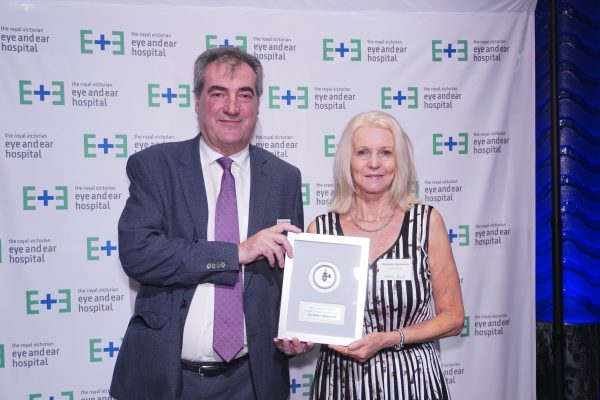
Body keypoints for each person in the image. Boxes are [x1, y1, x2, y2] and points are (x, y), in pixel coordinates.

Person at [110, 47, 313, 400]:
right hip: (168, 380)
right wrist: (236, 252)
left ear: (258, 104)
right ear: (197, 100)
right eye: (218, 93)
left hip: (253, 381)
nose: (232, 108)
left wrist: (299, 331)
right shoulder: (156, 167)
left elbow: (288, 274)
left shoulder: (284, 178)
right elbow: (138, 254)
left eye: (244, 95)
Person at [308, 110, 464, 399]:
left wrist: (390, 338)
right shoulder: (321, 229)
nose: (374, 163)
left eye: (386, 153)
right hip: (341, 385)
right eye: (363, 152)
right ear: (348, 161)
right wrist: (296, 338)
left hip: (413, 384)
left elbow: (453, 318)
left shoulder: (426, 223)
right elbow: (310, 319)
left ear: (399, 162)